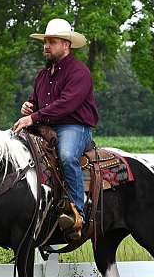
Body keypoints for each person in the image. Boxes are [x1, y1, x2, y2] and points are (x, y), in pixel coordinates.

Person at [12, 18, 99, 241]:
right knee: (17, 148)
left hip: (74, 127)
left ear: (66, 45)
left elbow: (66, 104)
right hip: (47, 126)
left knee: (67, 156)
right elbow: (38, 104)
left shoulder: (80, 72)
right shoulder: (43, 75)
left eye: (52, 41)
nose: (46, 46)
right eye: (45, 42)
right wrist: (29, 107)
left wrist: (33, 117)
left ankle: (78, 211)